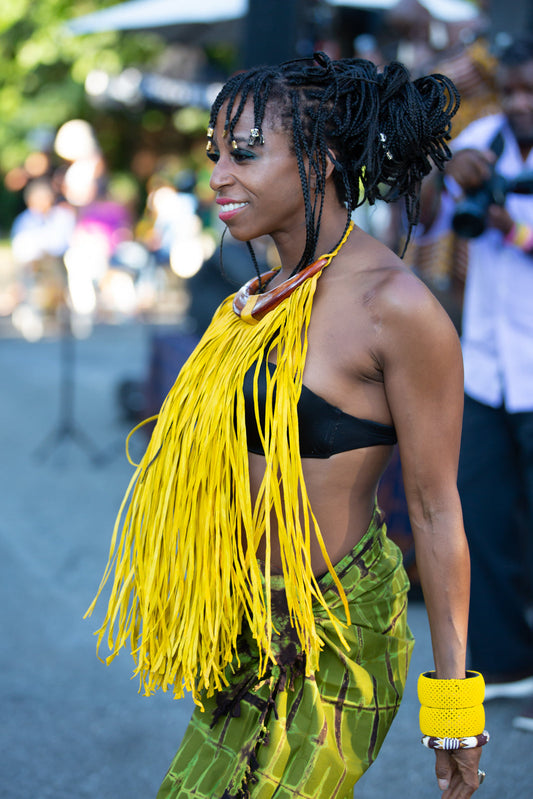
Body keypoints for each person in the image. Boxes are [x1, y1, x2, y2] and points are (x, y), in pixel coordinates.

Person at [87, 54, 488, 797]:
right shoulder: (252, 299)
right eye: (214, 155)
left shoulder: (393, 306)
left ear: (322, 158)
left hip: (337, 635)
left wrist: (454, 713)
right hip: (242, 630)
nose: (217, 177)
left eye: (244, 153)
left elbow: (435, 511)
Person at [418, 35, 533, 732]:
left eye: (530, 95)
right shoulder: (485, 135)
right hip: (486, 370)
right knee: (480, 519)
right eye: (512, 91)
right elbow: (427, 219)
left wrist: (509, 229)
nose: (518, 105)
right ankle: (509, 663)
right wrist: (439, 167)